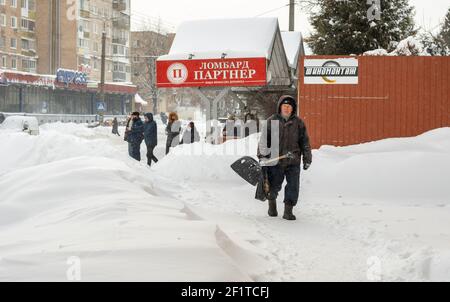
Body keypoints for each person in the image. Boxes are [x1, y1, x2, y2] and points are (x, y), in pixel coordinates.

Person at [257, 95, 313, 221]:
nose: (287, 108)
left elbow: (305, 142)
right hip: (275, 161)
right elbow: (264, 141)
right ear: (280, 107)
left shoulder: (298, 123)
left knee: (293, 186)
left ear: (293, 109)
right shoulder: (272, 121)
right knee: (273, 185)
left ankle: (288, 211)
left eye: (289, 106)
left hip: (293, 160)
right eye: (285, 106)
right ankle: (272, 205)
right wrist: (262, 156)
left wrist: (307, 158)